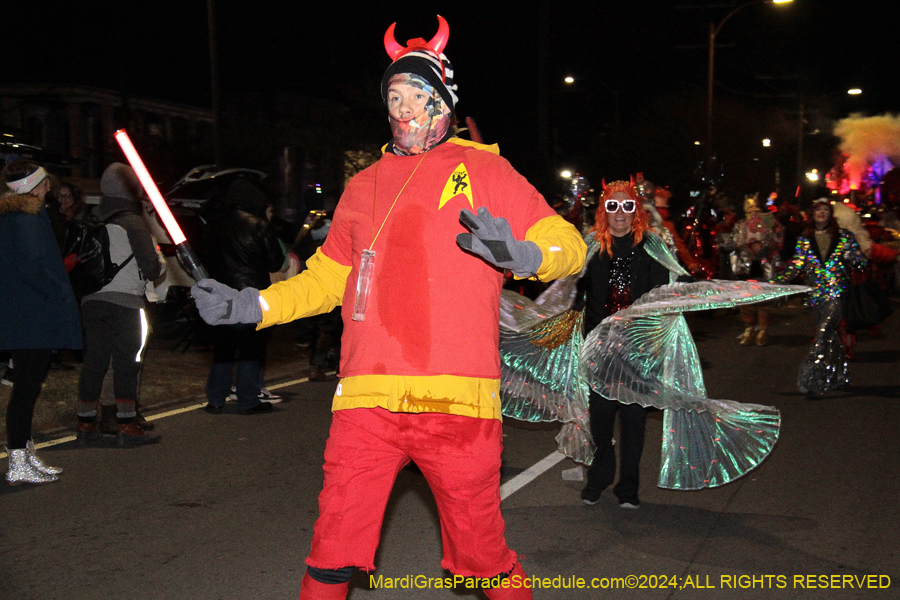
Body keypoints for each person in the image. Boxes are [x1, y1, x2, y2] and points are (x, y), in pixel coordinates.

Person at [192, 16, 586, 599]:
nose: (402, 108)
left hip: (459, 403)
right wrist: (252, 304)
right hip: (366, 402)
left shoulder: (485, 169)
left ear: (445, 100)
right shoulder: (363, 186)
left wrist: (523, 251)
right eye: (393, 97)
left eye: (416, 95)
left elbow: (570, 247)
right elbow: (327, 279)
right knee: (330, 553)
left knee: (482, 557)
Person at [574, 180, 672, 508]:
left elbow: (661, 296)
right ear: (604, 210)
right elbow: (572, 291)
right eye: (612, 206)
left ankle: (628, 488)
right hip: (599, 349)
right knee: (600, 418)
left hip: (636, 349)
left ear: (636, 211)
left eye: (627, 206)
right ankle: (599, 478)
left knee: (632, 421)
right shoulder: (591, 247)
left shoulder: (650, 246)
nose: (619, 213)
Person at [1, 161, 82, 483]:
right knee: (26, 388)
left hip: (24, 315)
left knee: (27, 387)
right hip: (33, 316)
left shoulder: (13, 217)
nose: (49, 188)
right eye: (46, 183)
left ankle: (25, 454)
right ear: (36, 185)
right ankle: (18, 460)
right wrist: (60, 293)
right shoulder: (27, 219)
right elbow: (33, 268)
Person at [75, 163, 162, 445]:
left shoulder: (90, 219)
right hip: (125, 300)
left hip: (91, 300)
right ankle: (126, 424)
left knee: (95, 362)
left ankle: (86, 422)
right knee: (128, 362)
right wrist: (158, 263)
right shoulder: (132, 220)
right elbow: (150, 267)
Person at [199, 178, 288, 415]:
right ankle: (248, 400)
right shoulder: (258, 225)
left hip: (219, 295)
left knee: (223, 350)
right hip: (250, 294)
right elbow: (275, 261)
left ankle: (216, 398)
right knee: (252, 348)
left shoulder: (211, 225)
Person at [773, 198, 866, 398]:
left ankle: (810, 378)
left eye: (825, 209)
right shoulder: (804, 240)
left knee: (823, 334)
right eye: (818, 209)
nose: (821, 212)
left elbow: (861, 263)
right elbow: (795, 266)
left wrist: (854, 259)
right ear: (811, 214)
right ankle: (840, 375)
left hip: (837, 292)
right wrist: (775, 282)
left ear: (831, 214)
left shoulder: (843, 236)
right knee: (831, 337)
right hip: (814, 295)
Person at [730, 195, 783, 346]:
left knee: (762, 299)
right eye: (749, 208)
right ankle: (749, 328)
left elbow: (777, 239)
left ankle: (763, 330)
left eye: (754, 208)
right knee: (745, 298)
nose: (752, 211)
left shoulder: (766, 223)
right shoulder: (740, 225)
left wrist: (764, 246)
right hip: (746, 266)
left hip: (762, 265)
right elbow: (734, 242)